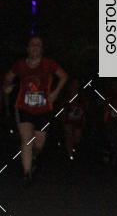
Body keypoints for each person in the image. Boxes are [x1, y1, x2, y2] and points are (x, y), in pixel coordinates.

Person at [2, 36, 68, 182]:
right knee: (27, 139)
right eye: (32, 45)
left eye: (38, 45)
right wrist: (6, 86)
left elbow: (63, 76)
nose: (35, 47)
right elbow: (8, 78)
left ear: (42, 49)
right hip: (23, 107)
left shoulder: (48, 64)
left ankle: (33, 158)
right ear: (27, 49)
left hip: (44, 109)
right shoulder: (20, 65)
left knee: (38, 144)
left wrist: (55, 93)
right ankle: (27, 174)